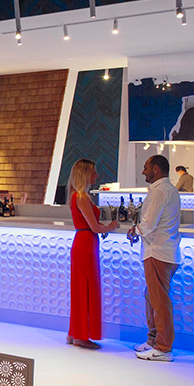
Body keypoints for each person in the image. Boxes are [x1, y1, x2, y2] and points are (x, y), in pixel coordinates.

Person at [128, 155, 181, 362]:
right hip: (163, 251)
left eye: (145, 167)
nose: (143, 172)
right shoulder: (169, 190)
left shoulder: (160, 192)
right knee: (152, 297)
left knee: (159, 302)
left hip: (158, 253)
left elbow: (149, 224)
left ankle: (163, 347)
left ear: (156, 169)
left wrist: (135, 230)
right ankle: (153, 341)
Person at [66, 160, 118, 350]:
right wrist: (111, 226)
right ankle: (81, 336)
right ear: (84, 175)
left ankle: (75, 332)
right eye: (93, 173)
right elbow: (94, 227)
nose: (96, 176)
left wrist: (101, 228)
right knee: (86, 290)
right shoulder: (82, 197)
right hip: (86, 245)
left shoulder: (77, 196)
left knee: (81, 290)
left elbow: (91, 225)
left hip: (84, 243)